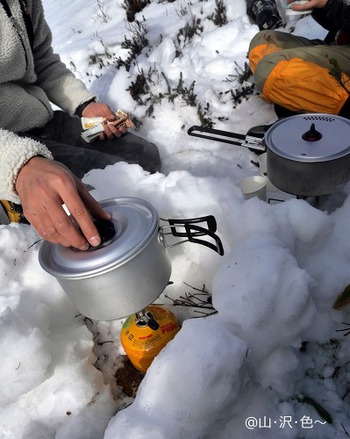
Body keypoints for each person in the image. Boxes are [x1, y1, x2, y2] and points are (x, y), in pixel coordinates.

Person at [0, 0, 160, 250]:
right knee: (116, 191)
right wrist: (17, 167)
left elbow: (41, 60)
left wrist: (84, 105)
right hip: (9, 144)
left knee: (145, 158)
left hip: (45, 121)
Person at [248, 0, 350, 119]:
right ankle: (296, 97)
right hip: (342, 43)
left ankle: (343, 108)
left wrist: (329, 3)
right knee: (262, 41)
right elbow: (338, 23)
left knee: (268, 70)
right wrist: (315, 5)